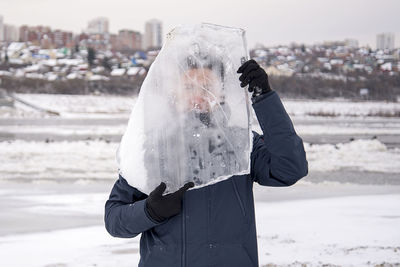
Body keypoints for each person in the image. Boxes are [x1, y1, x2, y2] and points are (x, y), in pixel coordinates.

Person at [104, 59, 308, 267]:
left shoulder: (242, 143)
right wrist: (149, 211)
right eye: (189, 86)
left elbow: (290, 169)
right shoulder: (151, 147)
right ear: (174, 92)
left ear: (220, 93)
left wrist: (264, 97)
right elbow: (114, 219)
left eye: (207, 87)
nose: (197, 95)